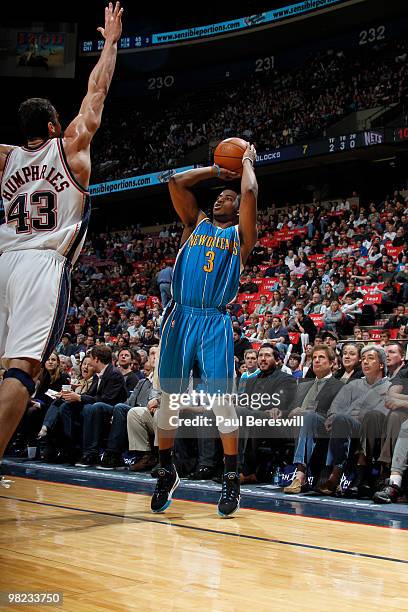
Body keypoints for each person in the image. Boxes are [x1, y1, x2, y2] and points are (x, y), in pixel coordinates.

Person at [0, 2, 124, 482]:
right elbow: (97, 91)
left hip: (5, 259)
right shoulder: (70, 144)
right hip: (41, 266)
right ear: (53, 125)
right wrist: (110, 42)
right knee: (23, 370)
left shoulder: (6, 158)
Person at [152, 143, 258, 517]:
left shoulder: (240, 240)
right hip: (180, 318)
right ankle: (166, 471)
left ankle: (231, 479)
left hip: (213, 321)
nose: (222, 200)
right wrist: (215, 171)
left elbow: (249, 191)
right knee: (170, 401)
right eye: (219, 197)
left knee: (222, 403)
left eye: (227, 199)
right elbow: (176, 181)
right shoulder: (194, 225)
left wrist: (245, 163)